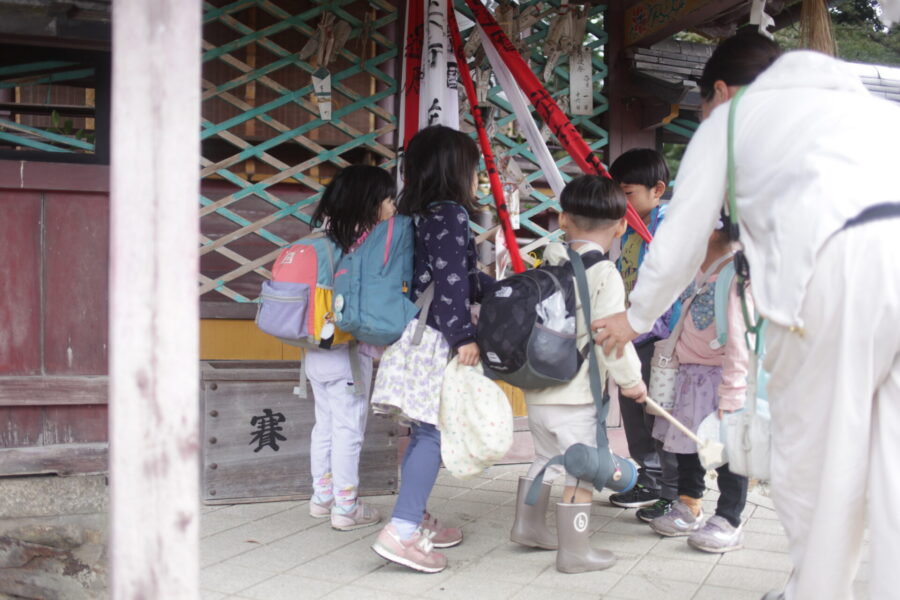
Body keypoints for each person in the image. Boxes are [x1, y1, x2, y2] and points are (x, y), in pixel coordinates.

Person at [592, 29, 900, 600]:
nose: (706, 114)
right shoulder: (866, 109)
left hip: (832, 270)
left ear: (721, 90)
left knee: (820, 457)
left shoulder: (734, 118)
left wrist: (634, 318)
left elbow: (682, 237)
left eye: (705, 104)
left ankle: (814, 590)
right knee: (892, 456)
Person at [370, 125, 494, 573]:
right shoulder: (450, 215)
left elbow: (462, 276)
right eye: (474, 167)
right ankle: (401, 532)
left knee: (422, 430)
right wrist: (464, 336)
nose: (477, 176)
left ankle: (415, 513)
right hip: (435, 337)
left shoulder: (416, 214)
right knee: (432, 433)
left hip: (413, 333)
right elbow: (452, 284)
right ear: (457, 169)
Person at [509, 175, 647, 573]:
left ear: (564, 219)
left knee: (545, 457)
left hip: (537, 388)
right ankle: (575, 553)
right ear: (622, 225)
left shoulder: (550, 258)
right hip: (575, 395)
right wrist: (632, 382)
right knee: (580, 470)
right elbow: (612, 337)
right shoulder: (605, 275)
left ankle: (527, 526)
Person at [643, 224, 750, 554]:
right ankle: (689, 505)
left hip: (722, 377)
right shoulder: (698, 272)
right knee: (685, 443)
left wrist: (732, 393)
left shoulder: (735, 277)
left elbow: (740, 340)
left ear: (713, 232)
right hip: (688, 376)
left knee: (728, 453)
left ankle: (729, 519)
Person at [306, 165, 397, 531]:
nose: (393, 207)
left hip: (313, 348)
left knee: (324, 425)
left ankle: (321, 497)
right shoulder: (362, 245)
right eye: (389, 199)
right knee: (348, 429)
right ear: (370, 203)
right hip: (346, 353)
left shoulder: (320, 236)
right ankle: (346, 507)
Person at [606, 149, 680, 521]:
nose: (622, 201)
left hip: (663, 338)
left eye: (628, 192)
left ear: (657, 189)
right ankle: (649, 480)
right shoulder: (631, 228)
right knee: (634, 412)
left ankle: (673, 492)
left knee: (660, 416)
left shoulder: (671, 227)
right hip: (632, 336)